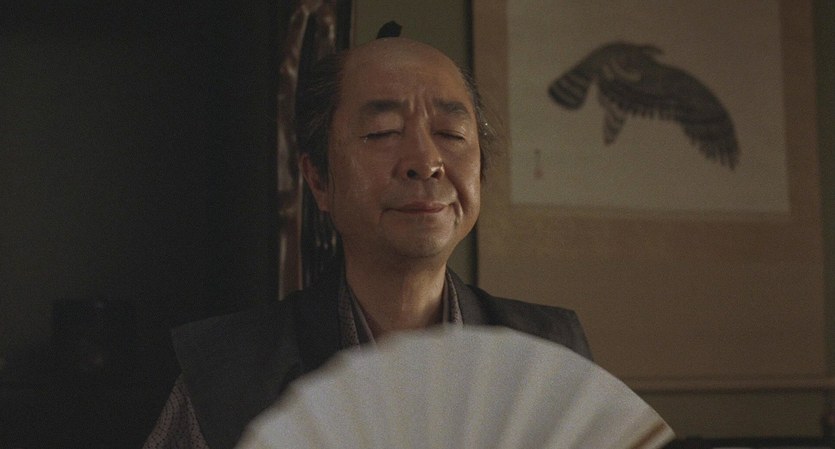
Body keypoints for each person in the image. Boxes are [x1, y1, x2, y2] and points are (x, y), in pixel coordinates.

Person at [142, 36, 592, 449]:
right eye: (382, 133)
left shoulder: (549, 351)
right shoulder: (227, 374)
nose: (426, 161)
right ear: (319, 180)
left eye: (451, 134)